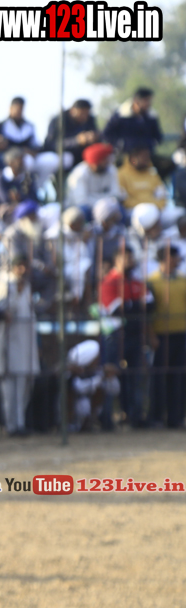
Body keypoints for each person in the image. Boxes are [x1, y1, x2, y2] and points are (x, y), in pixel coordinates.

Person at [99, 250, 154, 428]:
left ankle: (135, 416)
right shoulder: (109, 282)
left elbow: (151, 304)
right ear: (117, 260)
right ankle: (106, 417)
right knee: (111, 375)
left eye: (131, 257)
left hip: (135, 335)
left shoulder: (137, 281)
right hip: (114, 335)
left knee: (135, 377)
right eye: (126, 257)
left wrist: (129, 306)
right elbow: (115, 310)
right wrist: (138, 306)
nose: (130, 260)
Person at [0, 252, 40, 436]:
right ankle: (12, 425)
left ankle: (20, 422)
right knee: (10, 389)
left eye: (25, 266)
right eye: (19, 266)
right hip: (10, 345)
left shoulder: (28, 287)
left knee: (25, 387)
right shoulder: (5, 285)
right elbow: (0, 312)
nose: (22, 270)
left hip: (27, 346)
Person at [147, 244, 186, 428]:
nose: (178, 260)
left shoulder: (183, 280)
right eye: (175, 257)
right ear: (166, 259)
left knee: (179, 378)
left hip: (181, 335)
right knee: (158, 378)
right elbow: (147, 313)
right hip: (160, 336)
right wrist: (151, 336)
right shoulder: (151, 281)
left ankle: (176, 418)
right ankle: (156, 417)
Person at [103, 87, 166, 172]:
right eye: (146, 100)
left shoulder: (151, 116)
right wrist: (120, 144)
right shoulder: (120, 115)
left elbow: (158, 136)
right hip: (126, 155)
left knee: (166, 164)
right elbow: (107, 134)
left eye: (149, 100)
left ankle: (153, 180)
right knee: (117, 167)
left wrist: (149, 145)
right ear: (136, 101)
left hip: (146, 156)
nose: (148, 103)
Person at [68, 339, 119, 432]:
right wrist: (101, 378)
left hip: (90, 411)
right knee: (83, 405)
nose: (98, 360)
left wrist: (111, 377)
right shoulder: (73, 373)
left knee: (99, 396)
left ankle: (94, 424)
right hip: (76, 409)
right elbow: (80, 388)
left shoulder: (98, 370)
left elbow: (115, 390)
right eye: (96, 358)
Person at [44, 99, 100, 168]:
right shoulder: (59, 120)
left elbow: (98, 135)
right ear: (72, 110)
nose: (84, 117)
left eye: (86, 114)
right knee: (67, 158)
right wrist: (77, 141)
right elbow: (51, 144)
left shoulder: (90, 119)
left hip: (83, 157)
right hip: (61, 156)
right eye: (81, 114)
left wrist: (93, 137)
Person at [66, 143, 122, 210]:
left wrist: (101, 202)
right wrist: (105, 201)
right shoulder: (80, 173)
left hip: (105, 207)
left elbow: (116, 194)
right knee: (83, 210)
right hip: (80, 208)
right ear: (96, 162)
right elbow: (81, 201)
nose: (108, 161)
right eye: (105, 159)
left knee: (119, 209)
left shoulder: (110, 169)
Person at [116, 146, 167, 210]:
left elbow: (162, 196)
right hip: (132, 210)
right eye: (143, 156)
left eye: (147, 157)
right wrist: (143, 205)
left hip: (154, 208)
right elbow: (124, 200)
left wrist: (156, 205)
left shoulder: (152, 173)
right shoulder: (121, 174)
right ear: (132, 158)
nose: (146, 160)